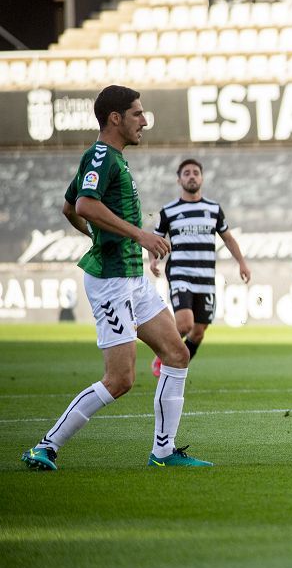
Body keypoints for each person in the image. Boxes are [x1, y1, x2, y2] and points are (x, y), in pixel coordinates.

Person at [21, 85, 212, 470]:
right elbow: (84, 204)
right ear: (115, 118)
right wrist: (138, 234)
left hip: (133, 278)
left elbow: (68, 206)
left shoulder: (114, 159)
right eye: (138, 114)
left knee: (176, 354)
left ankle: (163, 452)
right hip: (111, 281)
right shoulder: (101, 156)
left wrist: (99, 234)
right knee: (120, 379)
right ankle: (45, 446)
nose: (144, 121)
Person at [149, 158, 251, 376]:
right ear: (179, 180)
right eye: (186, 173)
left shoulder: (213, 209)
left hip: (206, 276)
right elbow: (155, 238)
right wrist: (153, 259)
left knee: (198, 332)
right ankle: (164, 358)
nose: (192, 176)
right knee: (184, 324)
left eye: (196, 172)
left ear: (202, 178)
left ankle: (178, 361)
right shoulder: (169, 211)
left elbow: (228, 238)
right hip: (180, 273)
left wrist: (242, 263)